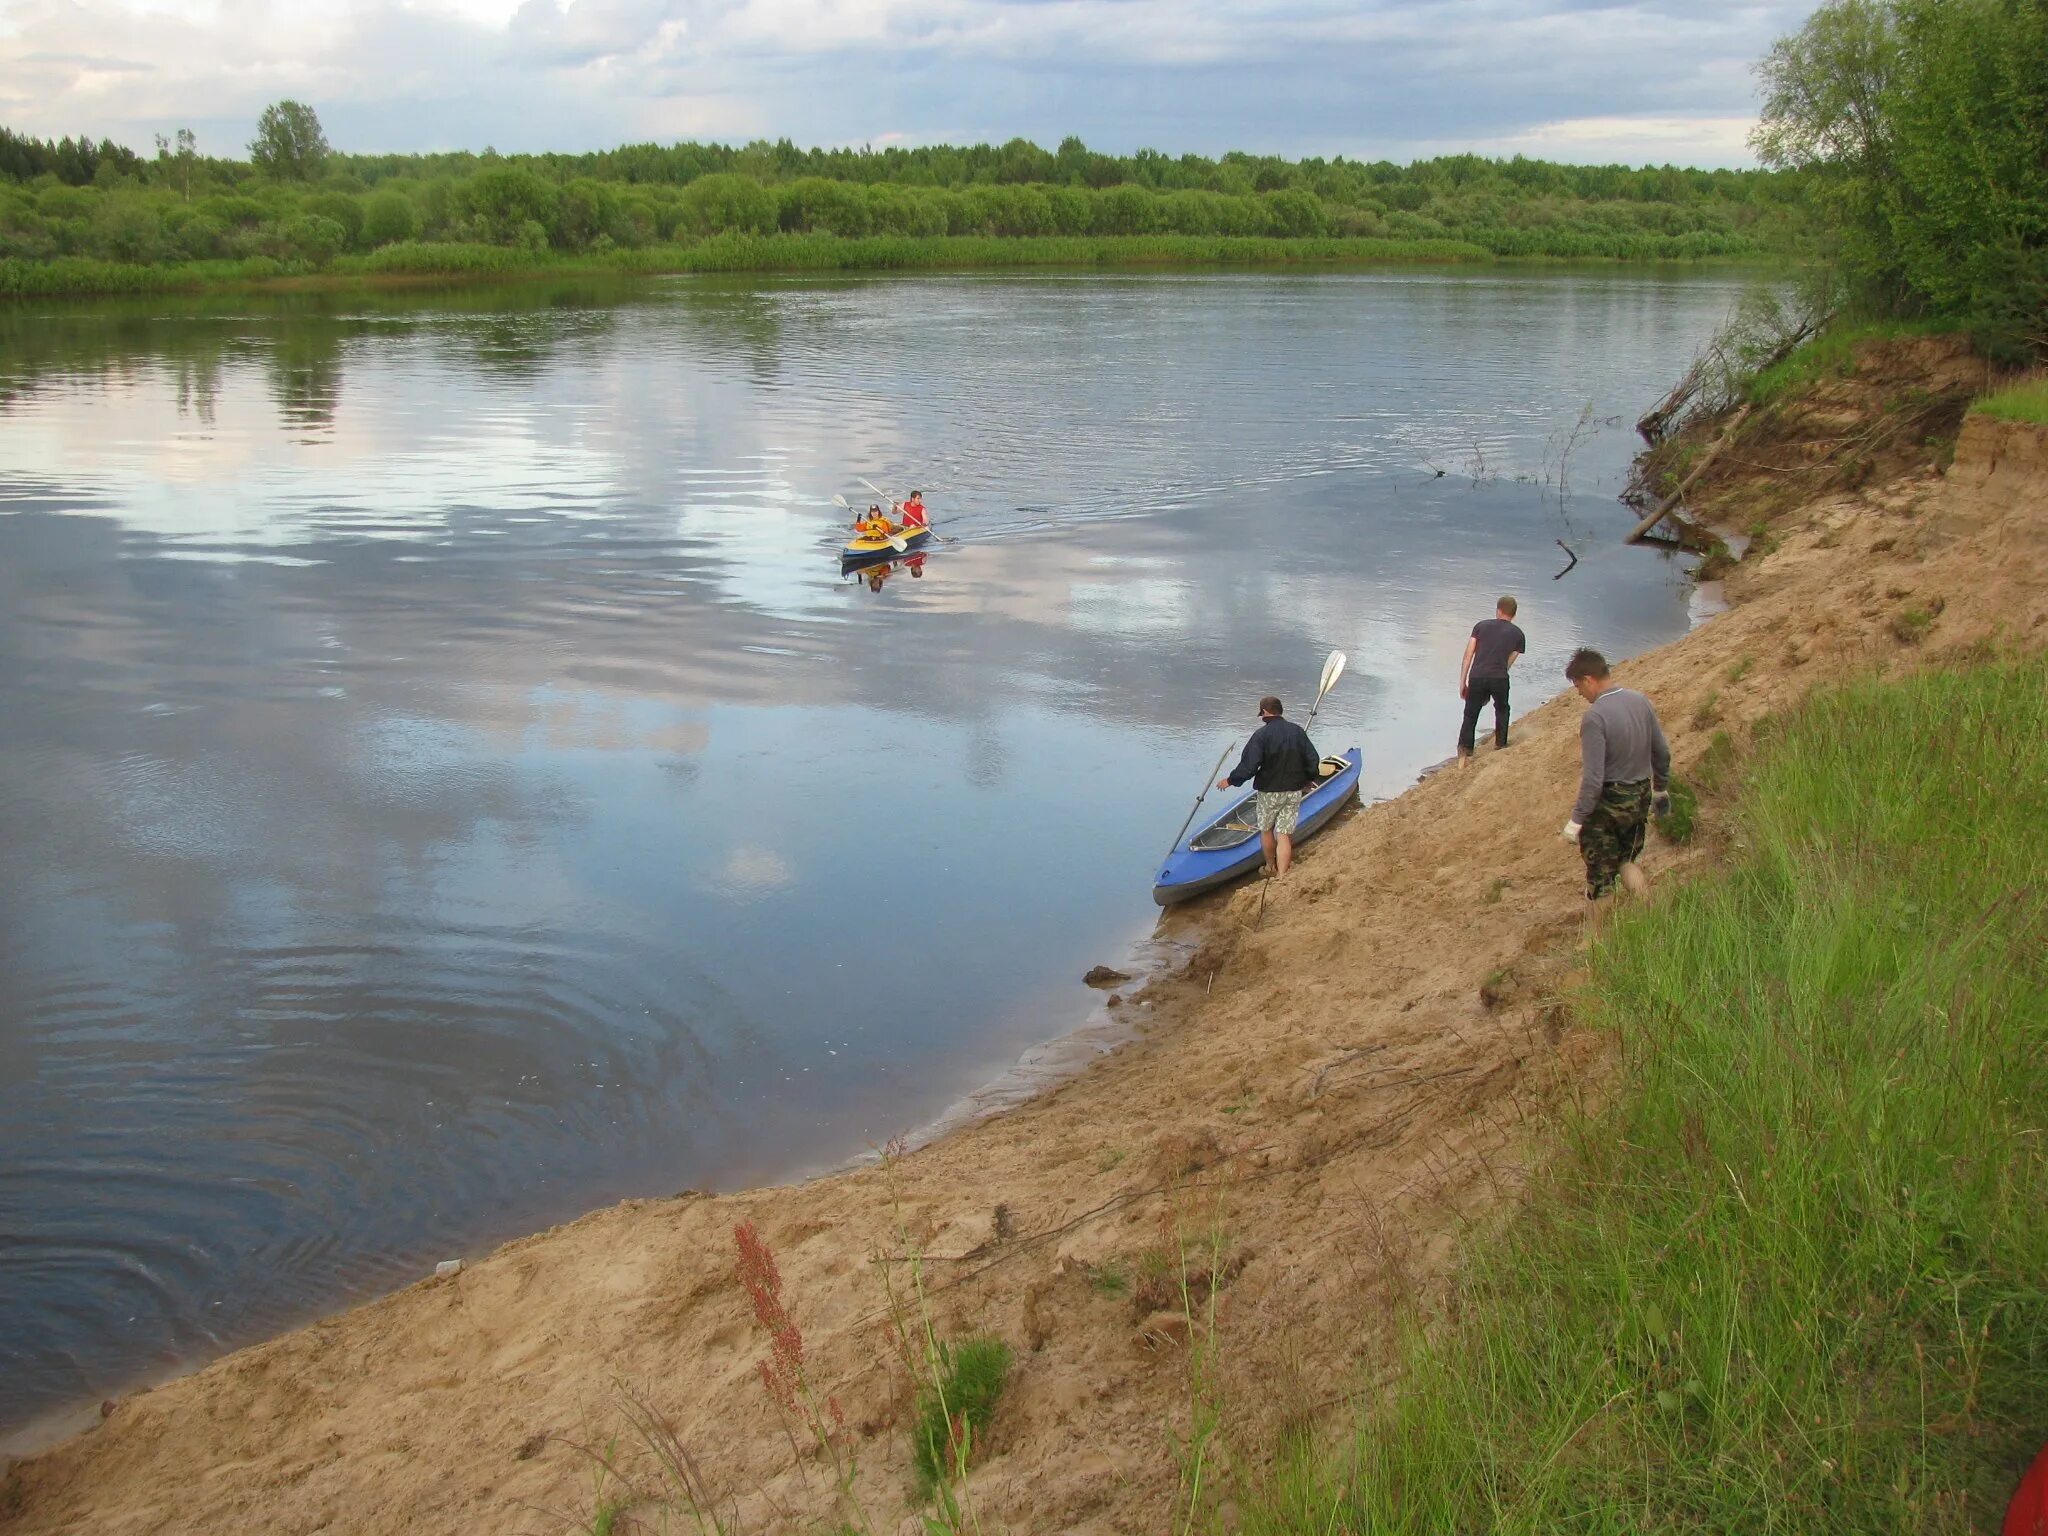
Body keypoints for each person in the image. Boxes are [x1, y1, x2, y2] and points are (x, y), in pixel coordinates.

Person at [1560, 648, 1670, 906]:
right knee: (1626, 860)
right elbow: (1661, 752)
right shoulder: (1640, 701)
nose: (1579, 693)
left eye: (1578, 686)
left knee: (1600, 878)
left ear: (1589, 679)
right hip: (1640, 796)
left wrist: (1576, 820)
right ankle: (1653, 915)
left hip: (1609, 804)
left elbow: (1594, 778)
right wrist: (1661, 788)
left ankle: (1592, 942)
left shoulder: (1595, 717)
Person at [1218, 695, 1323, 880]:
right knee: (1283, 834)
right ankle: (1282, 876)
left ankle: (1269, 866)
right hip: (1293, 791)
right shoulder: (1297, 731)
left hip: (1268, 792)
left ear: (1265, 712)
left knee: (1266, 830)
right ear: (1280, 711)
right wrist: (1308, 779)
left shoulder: (1261, 736)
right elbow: (1313, 760)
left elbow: (1249, 766)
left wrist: (1231, 780)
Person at [1458, 595, 1526, 764]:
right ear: (1514, 614)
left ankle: (1465, 751)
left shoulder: (1480, 627)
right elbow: (1509, 662)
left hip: (1477, 675)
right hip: (1499, 677)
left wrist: (1462, 682)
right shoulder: (1519, 635)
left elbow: (1468, 655)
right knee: (1502, 709)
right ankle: (1500, 744)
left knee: (1470, 713)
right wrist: (1498, 675)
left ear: (1498, 610)